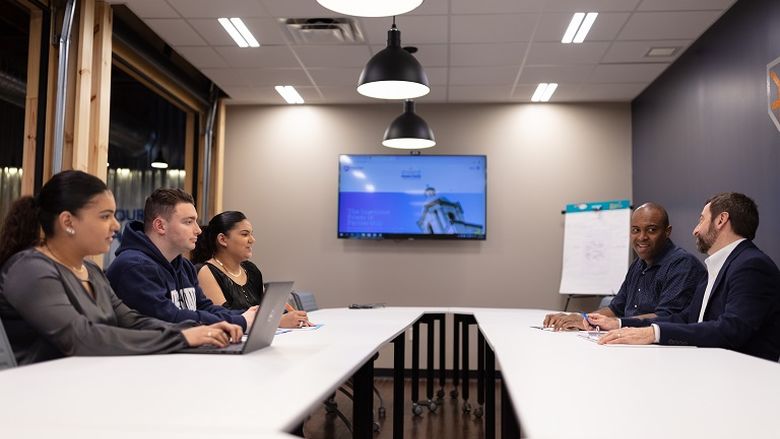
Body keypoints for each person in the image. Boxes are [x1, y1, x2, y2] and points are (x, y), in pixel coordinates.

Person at [0, 170, 241, 365]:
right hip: (32, 400)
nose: (116, 226)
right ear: (67, 221)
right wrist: (181, 337)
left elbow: (132, 320)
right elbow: (82, 338)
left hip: (82, 385)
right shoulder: (30, 269)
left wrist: (200, 330)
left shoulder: (91, 271)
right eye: (105, 216)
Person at [590, 193, 780, 361]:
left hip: (742, 380)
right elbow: (687, 317)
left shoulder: (751, 266)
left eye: (701, 220)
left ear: (721, 220)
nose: (695, 230)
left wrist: (655, 333)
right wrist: (622, 324)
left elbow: (730, 330)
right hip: (711, 367)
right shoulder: (718, 266)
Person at [106, 189, 256, 331]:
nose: (198, 230)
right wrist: (240, 322)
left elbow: (204, 307)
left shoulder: (184, 266)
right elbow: (170, 318)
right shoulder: (134, 267)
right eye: (188, 222)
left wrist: (249, 315)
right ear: (160, 226)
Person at [544, 202, 706, 330]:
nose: (642, 237)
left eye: (651, 230)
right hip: (629, 341)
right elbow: (615, 308)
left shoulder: (682, 265)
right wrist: (583, 318)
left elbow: (664, 318)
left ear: (667, 232)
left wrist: (609, 323)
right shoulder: (638, 265)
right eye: (636, 230)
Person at [191, 211, 309, 328]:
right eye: (244, 234)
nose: (252, 240)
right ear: (222, 239)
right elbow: (223, 318)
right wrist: (277, 321)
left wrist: (288, 315)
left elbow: (264, 310)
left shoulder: (251, 269)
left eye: (251, 234)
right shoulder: (205, 271)